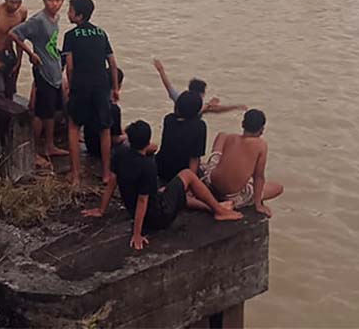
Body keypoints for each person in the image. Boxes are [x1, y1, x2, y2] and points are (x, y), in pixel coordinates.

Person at [82, 121, 242, 250]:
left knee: (170, 192)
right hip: (158, 218)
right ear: (147, 141)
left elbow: (111, 183)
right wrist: (137, 233)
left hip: (136, 209)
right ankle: (220, 211)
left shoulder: (120, 155)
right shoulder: (148, 166)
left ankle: (214, 207)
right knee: (187, 175)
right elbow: (143, 201)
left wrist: (101, 210)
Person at [62, 0, 119, 185]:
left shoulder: (70, 36)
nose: (68, 13)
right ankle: (105, 174)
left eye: (70, 10)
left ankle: (76, 174)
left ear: (78, 15)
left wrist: (70, 86)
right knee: (104, 128)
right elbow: (111, 62)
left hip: (81, 84)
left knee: (73, 126)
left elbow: (69, 66)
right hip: (101, 84)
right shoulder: (102, 33)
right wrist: (116, 88)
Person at [10, 0, 67, 170]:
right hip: (43, 71)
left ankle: (49, 145)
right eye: (51, 0)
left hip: (54, 71)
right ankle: (34, 151)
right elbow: (14, 34)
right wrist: (30, 54)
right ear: (44, 1)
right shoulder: (38, 20)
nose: (55, 3)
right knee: (40, 113)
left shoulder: (55, 18)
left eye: (58, 0)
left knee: (50, 112)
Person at [200, 109, 284, 216]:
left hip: (210, 183)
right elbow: (259, 177)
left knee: (222, 135)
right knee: (278, 188)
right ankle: (231, 203)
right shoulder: (261, 145)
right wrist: (258, 205)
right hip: (231, 195)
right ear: (262, 129)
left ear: (242, 124)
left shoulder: (231, 138)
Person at [155, 91, 207, 192]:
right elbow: (195, 158)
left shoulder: (168, 119)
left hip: (162, 168)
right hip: (181, 172)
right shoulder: (200, 126)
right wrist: (191, 182)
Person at [152, 59, 245, 115]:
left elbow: (168, 86)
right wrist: (235, 107)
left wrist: (161, 70)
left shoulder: (180, 99)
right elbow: (214, 110)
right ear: (201, 94)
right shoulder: (199, 107)